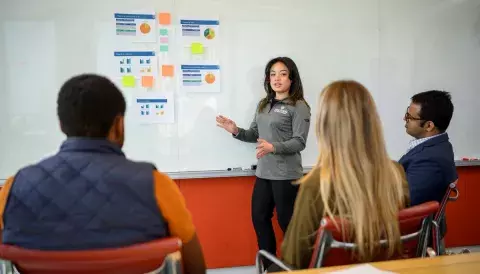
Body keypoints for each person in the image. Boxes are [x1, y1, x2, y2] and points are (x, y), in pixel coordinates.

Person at [0, 74, 206, 274]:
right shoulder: (156, 185)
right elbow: (194, 263)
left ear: (62, 125)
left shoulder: (13, 187)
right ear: (118, 125)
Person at [281, 80, 409, 269]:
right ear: (372, 122)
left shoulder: (317, 184)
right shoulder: (395, 173)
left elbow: (293, 259)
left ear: (324, 126)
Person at [216, 57, 311, 260]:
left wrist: (273, 147)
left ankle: (298, 268)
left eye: (283, 74)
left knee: (288, 224)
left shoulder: (299, 106)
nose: (277, 79)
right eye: (272, 74)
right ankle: (269, 266)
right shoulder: (264, 104)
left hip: (286, 175)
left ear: (292, 78)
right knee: (259, 218)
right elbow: (253, 134)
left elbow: (299, 142)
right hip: (264, 173)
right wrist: (235, 130)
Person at [400, 90, 457, 252]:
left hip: (409, 236)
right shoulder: (435, 147)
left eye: (410, 117)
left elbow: (405, 202)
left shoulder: (431, 160)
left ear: (429, 125)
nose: (404, 119)